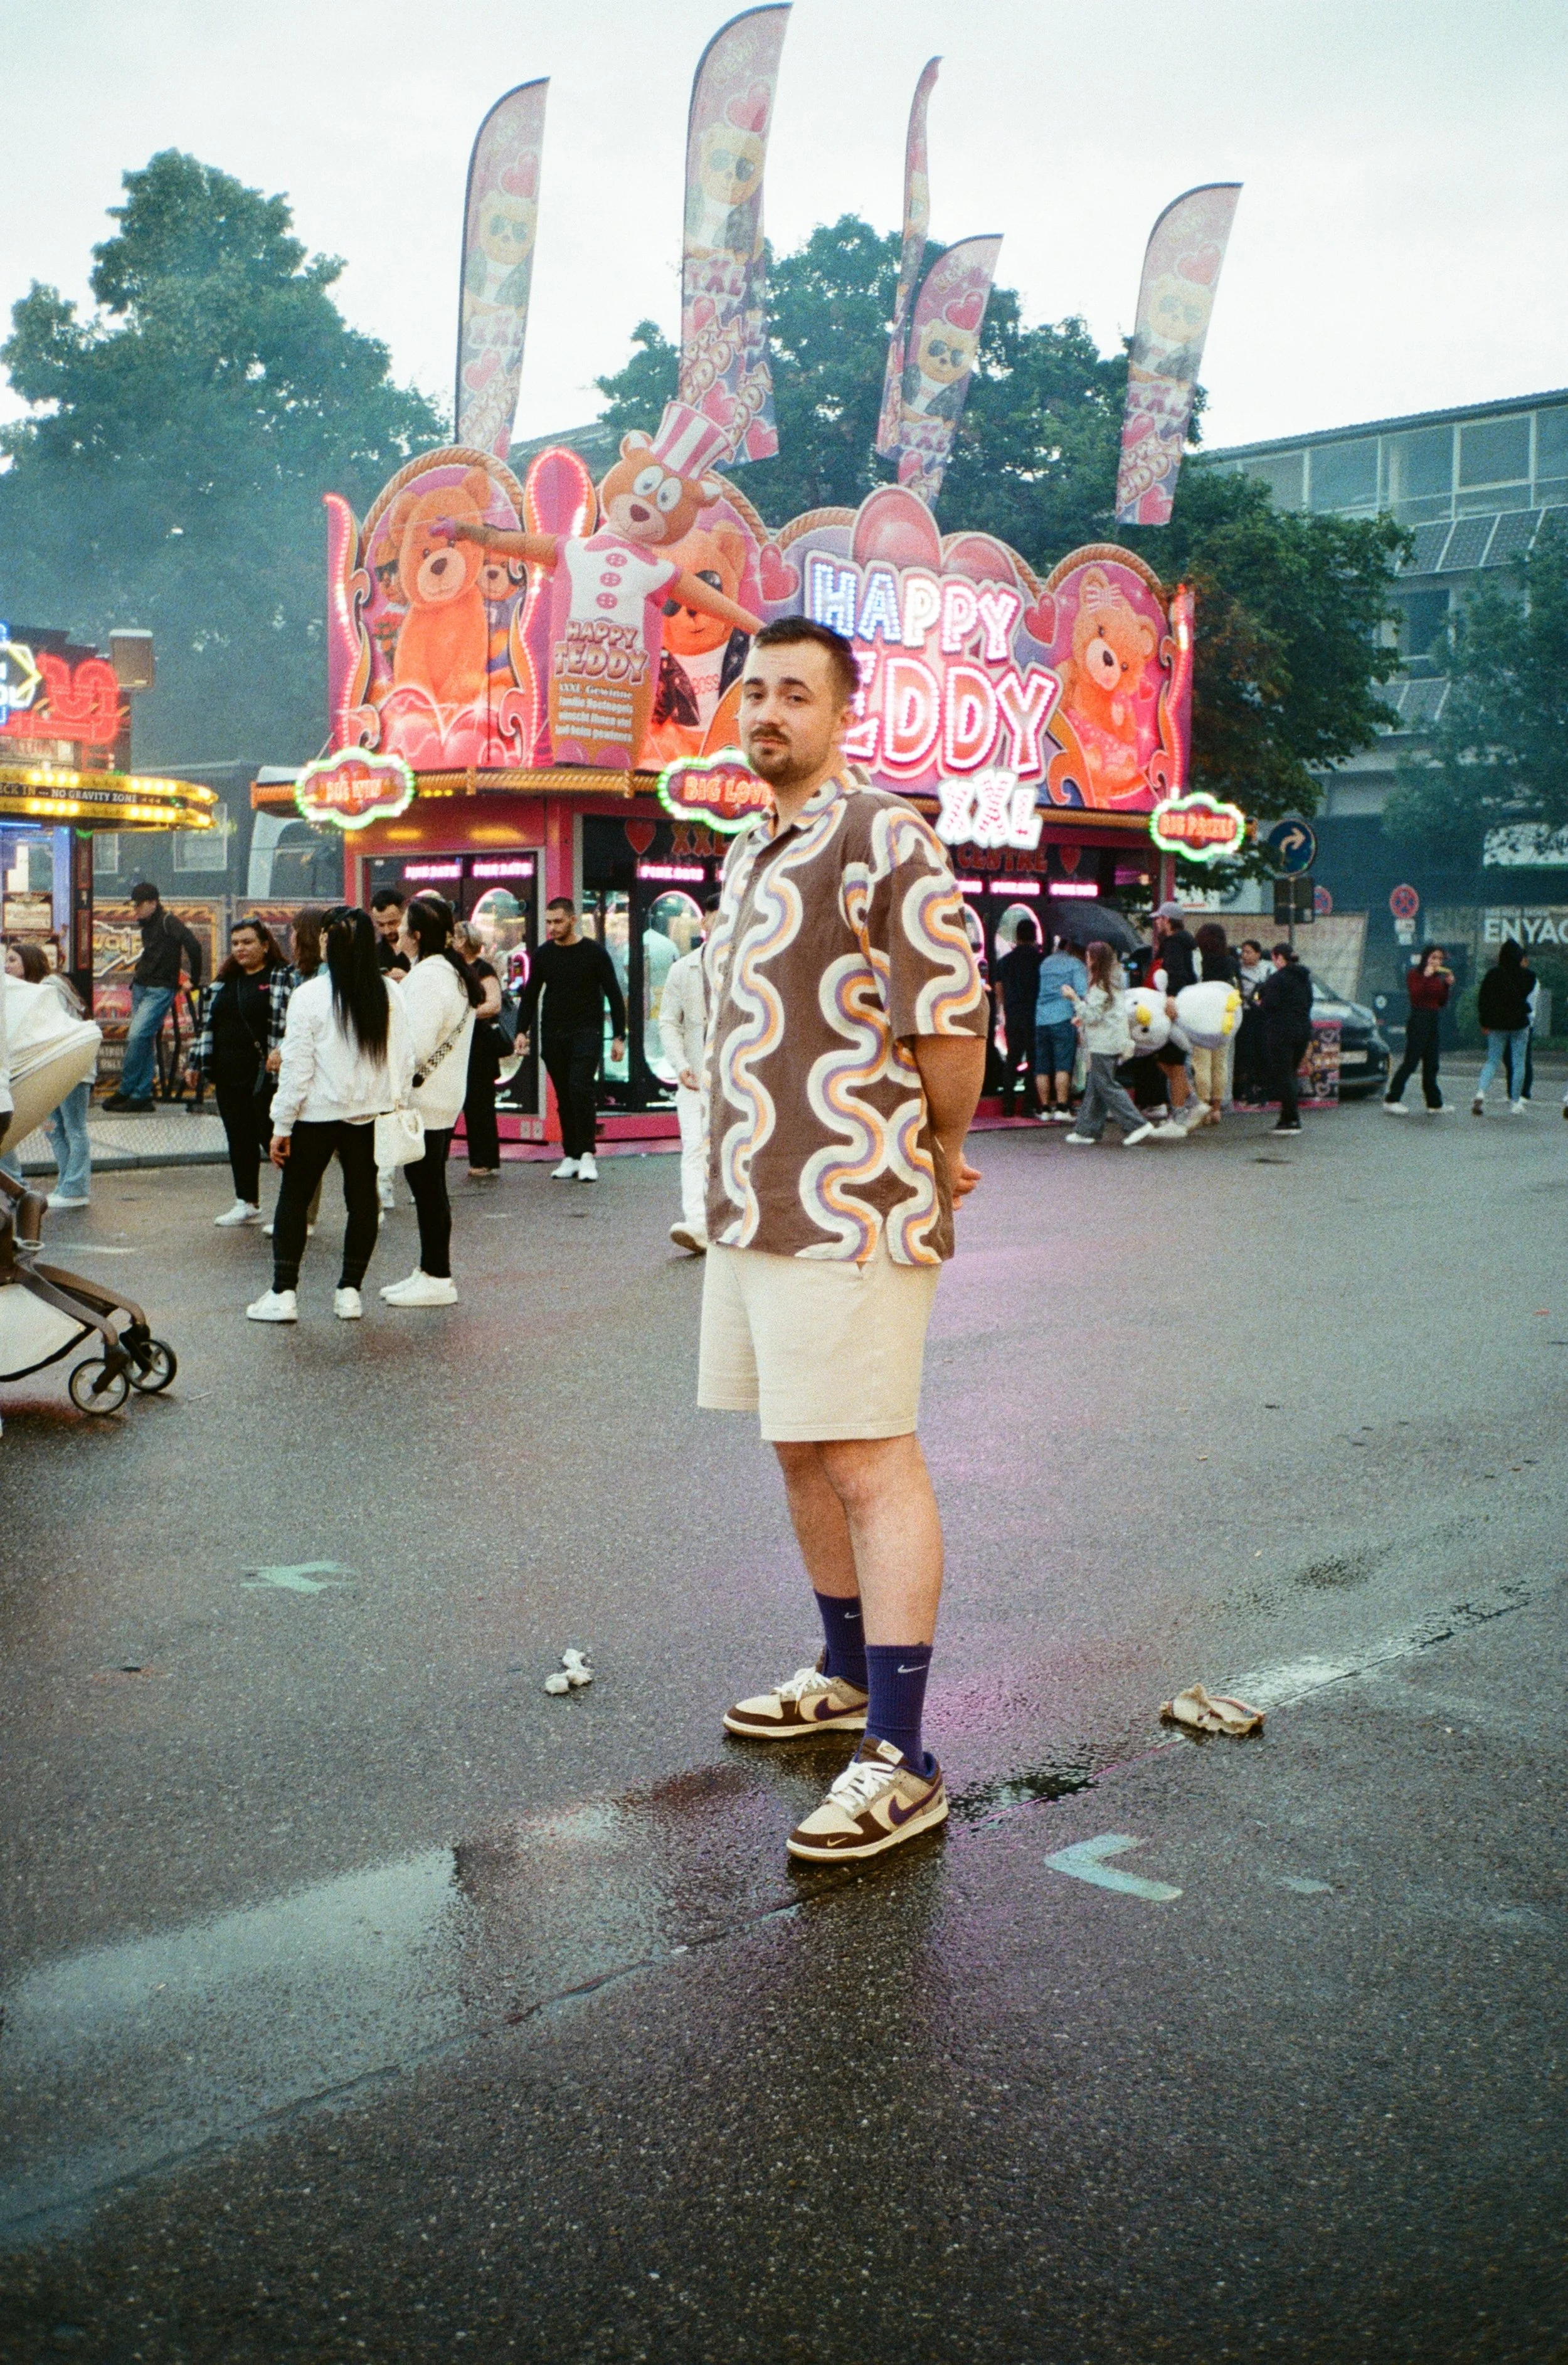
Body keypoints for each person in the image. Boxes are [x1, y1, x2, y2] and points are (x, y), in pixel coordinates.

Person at [701, 616, 988, 1864]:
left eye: (793, 694)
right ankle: (841, 1666)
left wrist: (935, 1147)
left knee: (869, 1456)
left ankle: (904, 1751)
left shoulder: (883, 832)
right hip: (749, 1206)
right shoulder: (749, 846)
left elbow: (947, 1022)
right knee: (798, 1451)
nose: (767, 711)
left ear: (838, 714)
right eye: (753, 690)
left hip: (850, 1200)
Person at [246, 906, 411, 1325]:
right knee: (362, 1200)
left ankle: (284, 1294)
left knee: (295, 1198)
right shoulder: (388, 992)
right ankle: (350, 1292)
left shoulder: (311, 995)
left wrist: (281, 1124)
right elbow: (404, 1058)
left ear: (326, 941)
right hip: (367, 1115)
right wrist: (396, 1100)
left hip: (316, 1115)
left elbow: (297, 1067)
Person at [379, 894, 479, 1308]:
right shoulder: (451, 972)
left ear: (416, 935)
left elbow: (413, 1048)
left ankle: (438, 1275)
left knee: (428, 1188)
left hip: (424, 1098)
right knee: (428, 1185)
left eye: (402, 926)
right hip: (445, 1094)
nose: (394, 932)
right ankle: (429, 1269)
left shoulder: (428, 977)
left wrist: (392, 1093)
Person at [516, 897, 627, 1183]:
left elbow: (615, 994)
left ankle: (588, 1154)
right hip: (553, 1030)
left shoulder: (594, 953)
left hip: (587, 1030)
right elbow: (530, 995)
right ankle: (571, 1154)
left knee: (580, 1087)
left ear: (573, 920)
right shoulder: (543, 955)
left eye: (558, 921)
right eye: (549, 922)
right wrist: (521, 1031)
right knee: (564, 1094)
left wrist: (619, 1036)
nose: (552, 927)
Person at [188, 917, 289, 1225]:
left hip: (264, 1077)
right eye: (235, 944)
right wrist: (195, 1063)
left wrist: (283, 1051)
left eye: (247, 942)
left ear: (265, 944)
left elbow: (296, 1024)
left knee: (272, 1139)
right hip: (227, 1074)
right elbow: (207, 1026)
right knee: (238, 1138)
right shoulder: (223, 983)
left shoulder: (282, 978)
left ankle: (295, 1208)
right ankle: (246, 1202)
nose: (240, 949)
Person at [1, 941, 95, 1209]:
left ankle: (75, 1188)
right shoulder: (41, 988)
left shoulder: (49, 987)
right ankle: (67, 1185)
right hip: (56, 1066)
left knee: (73, 1128)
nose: (7, 966)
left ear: (29, 962)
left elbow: (49, 1029)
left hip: (68, 1066)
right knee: (55, 1129)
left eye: (13, 960)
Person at [103, 882, 203, 1111]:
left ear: (153, 903)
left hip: (158, 989)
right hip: (143, 985)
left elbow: (194, 945)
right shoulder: (151, 922)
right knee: (144, 1039)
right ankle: (141, 1095)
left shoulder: (168, 920)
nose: (135, 911)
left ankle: (128, 1089)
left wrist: (194, 980)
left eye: (138, 906)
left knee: (137, 1036)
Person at [659, 893, 717, 1254]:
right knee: (694, 1148)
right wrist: (680, 1066)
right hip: (695, 1080)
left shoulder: (749, 966)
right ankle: (697, 1226)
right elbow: (668, 1022)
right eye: (716, 916)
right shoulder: (683, 969)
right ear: (704, 922)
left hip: (736, 1080)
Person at [1061, 943, 1155, 1146]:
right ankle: (1087, 1130)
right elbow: (1105, 1014)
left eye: (1089, 956)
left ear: (1096, 959)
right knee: (1097, 1086)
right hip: (1111, 1040)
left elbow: (1092, 1016)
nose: (1086, 960)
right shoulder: (1111, 983)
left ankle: (1136, 1124)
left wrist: (1074, 1000)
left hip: (1103, 1043)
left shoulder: (1099, 986)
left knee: (1105, 1085)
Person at [454, 918, 503, 1178]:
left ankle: (484, 1159)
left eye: (454, 937)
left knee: (480, 1102)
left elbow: (494, 1004)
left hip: (481, 1044)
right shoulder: (454, 968)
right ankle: (478, 1157)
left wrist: (464, 1014)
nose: (451, 942)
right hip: (461, 1042)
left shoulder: (483, 969)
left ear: (464, 940)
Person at [1384, 945, 1453, 1113]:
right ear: (1426, 958)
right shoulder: (1414, 974)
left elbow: (1441, 1002)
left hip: (1433, 1019)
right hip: (1419, 1018)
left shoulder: (1438, 978)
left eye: (1440, 959)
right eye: (1433, 958)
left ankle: (1434, 1103)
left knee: (1432, 1064)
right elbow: (1416, 995)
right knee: (1411, 1061)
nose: (1437, 962)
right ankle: (1392, 1099)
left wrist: (1446, 985)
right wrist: (1426, 977)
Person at [1256, 942, 1314, 1136]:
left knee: (1285, 1074)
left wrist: (1260, 1002)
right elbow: (1309, 1002)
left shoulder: (1277, 979)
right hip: (1303, 1029)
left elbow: (1269, 1005)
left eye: (1273, 958)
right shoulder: (1305, 978)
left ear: (1279, 957)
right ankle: (1288, 1117)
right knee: (1291, 1073)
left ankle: (1290, 1119)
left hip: (1282, 1031)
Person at [1473, 939, 1535, 1115]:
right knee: (1518, 1064)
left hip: (1496, 1024)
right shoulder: (1529, 976)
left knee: (1492, 1061)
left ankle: (1481, 1093)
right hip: (1519, 1024)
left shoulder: (1493, 975)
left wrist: (1484, 1023)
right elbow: (1525, 995)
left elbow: (1483, 1000)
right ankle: (1515, 1102)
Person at [1189, 921, 1241, 1129]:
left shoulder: (1199, 961)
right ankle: (1217, 1109)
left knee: (1201, 1064)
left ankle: (1203, 1107)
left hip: (1203, 1017)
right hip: (1225, 1018)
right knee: (1220, 1064)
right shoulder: (1231, 962)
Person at [1033, 930, 1088, 1121]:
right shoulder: (1075, 964)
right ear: (1072, 946)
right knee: (1062, 1065)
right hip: (1063, 1018)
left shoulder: (1046, 963)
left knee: (1042, 1066)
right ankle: (1063, 1108)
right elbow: (1082, 993)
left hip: (1041, 1019)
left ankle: (1046, 1108)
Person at [995, 915, 1043, 1117]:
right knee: (1033, 1059)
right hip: (1035, 1014)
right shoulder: (1041, 960)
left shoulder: (1006, 961)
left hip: (1013, 1014)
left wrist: (1003, 1010)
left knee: (1012, 1058)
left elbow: (999, 988)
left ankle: (1008, 1105)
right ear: (1034, 937)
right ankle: (1028, 1106)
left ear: (1017, 936)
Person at [1232, 938, 1271, 1104]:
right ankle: (1243, 1089)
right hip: (1244, 1014)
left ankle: (1259, 1089)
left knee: (1261, 1052)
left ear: (1258, 954)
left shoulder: (1266, 971)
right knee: (1244, 1053)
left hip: (1261, 1016)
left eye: (1249, 952)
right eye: (1243, 952)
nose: (1245, 956)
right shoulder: (1237, 971)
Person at [371, 888, 410, 976]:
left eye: (392, 923)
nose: (387, 931)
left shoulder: (422, 950)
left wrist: (408, 978)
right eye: (381, 925)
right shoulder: (373, 954)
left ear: (405, 916)